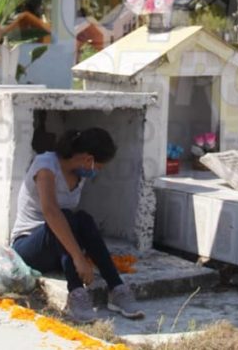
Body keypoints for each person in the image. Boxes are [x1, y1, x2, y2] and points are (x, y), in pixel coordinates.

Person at [10, 128, 144, 323]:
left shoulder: (78, 175)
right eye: (98, 165)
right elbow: (51, 213)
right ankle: (76, 292)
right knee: (63, 217)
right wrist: (78, 258)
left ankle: (116, 287)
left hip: (57, 249)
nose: (98, 170)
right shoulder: (46, 166)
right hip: (29, 247)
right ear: (88, 159)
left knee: (83, 219)